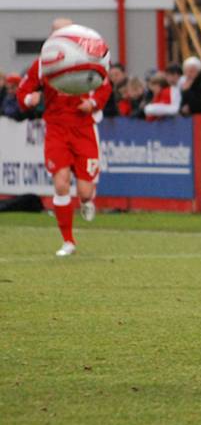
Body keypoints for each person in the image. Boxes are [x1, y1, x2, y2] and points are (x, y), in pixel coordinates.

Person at [17, 18, 112, 256]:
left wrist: (92, 103)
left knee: (85, 191)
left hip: (83, 128)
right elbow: (23, 90)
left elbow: (104, 84)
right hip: (57, 128)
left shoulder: (88, 58)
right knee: (60, 183)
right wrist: (30, 100)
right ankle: (68, 241)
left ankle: (88, 200)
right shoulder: (43, 64)